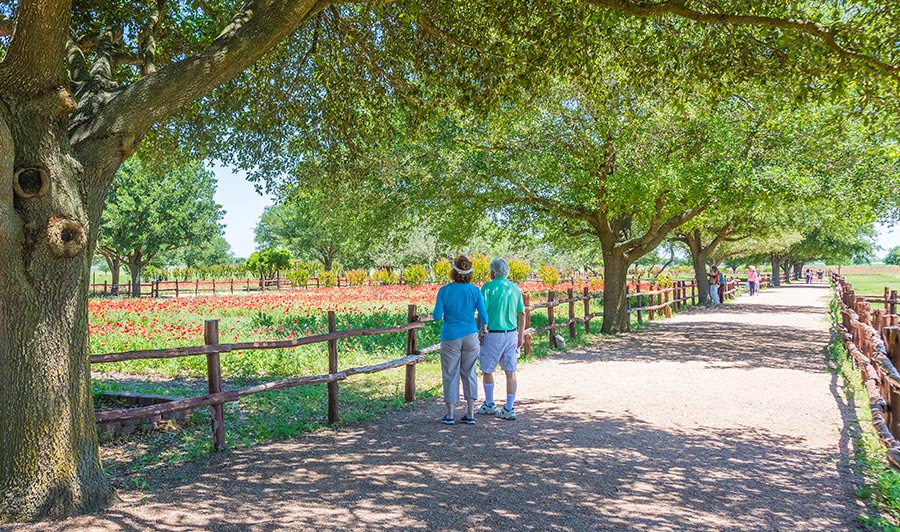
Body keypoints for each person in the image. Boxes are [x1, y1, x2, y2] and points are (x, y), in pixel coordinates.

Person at [432, 255, 488, 425]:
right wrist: (483, 328)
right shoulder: (475, 290)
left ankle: (450, 415)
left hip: (450, 336)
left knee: (450, 373)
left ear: (453, 272)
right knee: (469, 373)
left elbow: (436, 316)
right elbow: (484, 315)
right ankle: (470, 413)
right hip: (470, 335)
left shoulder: (445, 290)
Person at [477, 258, 525, 421]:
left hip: (493, 334)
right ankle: (509, 408)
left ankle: (490, 404)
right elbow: (522, 313)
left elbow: (482, 313)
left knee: (488, 369)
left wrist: (481, 331)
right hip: (511, 334)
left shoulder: (488, 288)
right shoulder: (514, 288)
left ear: (493, 272)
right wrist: (520, 334)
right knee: (510, 372)